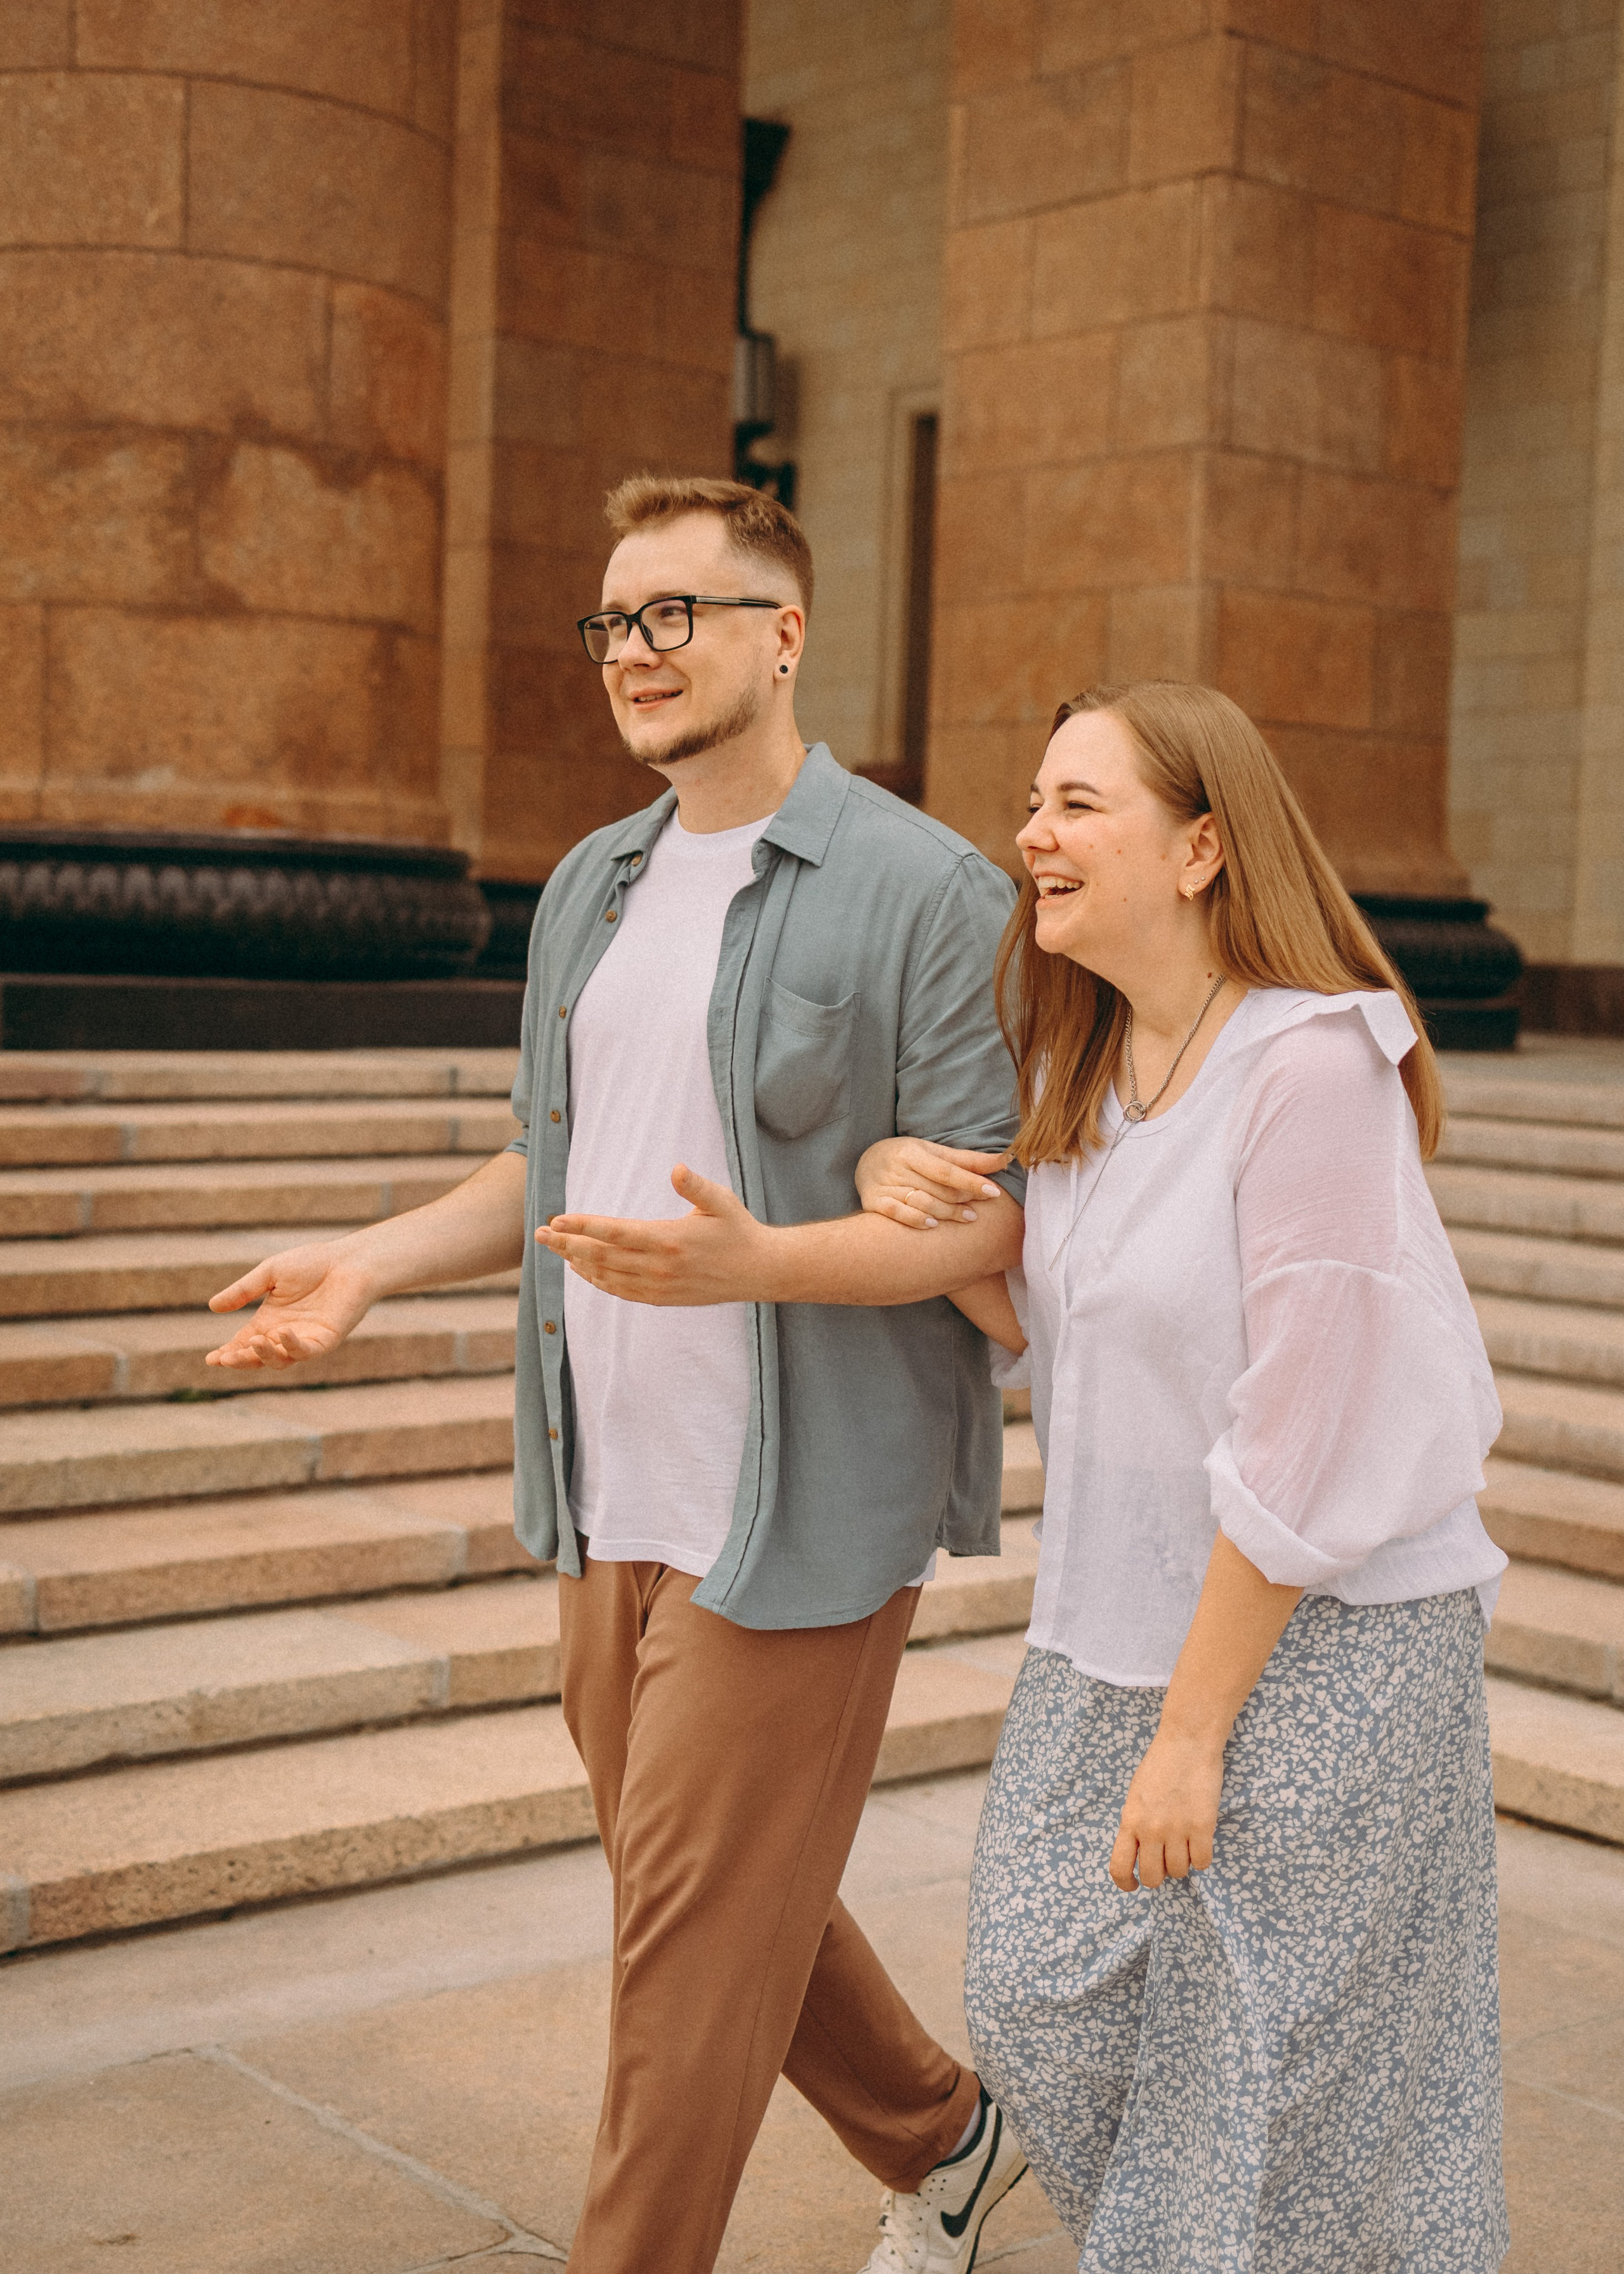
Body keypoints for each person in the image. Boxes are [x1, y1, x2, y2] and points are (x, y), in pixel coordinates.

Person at [204, 475, 1031, 2274]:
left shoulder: (929, 890)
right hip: (603, 1493)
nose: (635, 655)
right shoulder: (592, 883)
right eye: (614, 622)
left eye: (680, 615)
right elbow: (552, 1159)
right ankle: (946, 2136)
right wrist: (370, 1259)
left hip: (802, 1512)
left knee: (678, 1971)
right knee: (716, 1908)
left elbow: (998, 1226)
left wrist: (769, 1263)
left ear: (784, 634)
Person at [855, 681, 1510, 2271]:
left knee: (1261, 2082)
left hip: (1327, 1637)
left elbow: (1306, 1423)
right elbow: (1054, 1335)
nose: (1031, 834)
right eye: (1032, 800)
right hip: (1109, 1627)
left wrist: (1195, 1732)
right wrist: (889, 1180)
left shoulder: (1311, 1066)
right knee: (1035, 1993)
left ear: (1202, 844)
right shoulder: (1086, 1075)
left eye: (1077, 803)